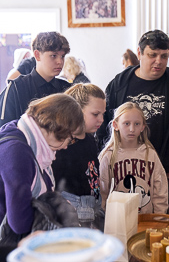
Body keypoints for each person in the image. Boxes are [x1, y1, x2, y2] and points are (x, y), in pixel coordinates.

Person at [96, 30, 169, 214]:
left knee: (159, 230)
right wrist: (107, 160)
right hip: (121, 173)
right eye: (152, 55)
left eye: (164, 56)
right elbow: (103, 125)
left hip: (162, 173)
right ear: (139, 53)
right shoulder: (119, 84)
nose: (158, 61)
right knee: (121, 229)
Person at [0, 94, 85, 247]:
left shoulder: (20, 132)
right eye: (70, 139)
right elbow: (20, 222)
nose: (66, 146)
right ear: (57, 128)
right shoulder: (18, 154)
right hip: (4, 246)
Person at [52, 83, 106, 230]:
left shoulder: (90, 139)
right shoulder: (61, 146)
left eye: (103, 114)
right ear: (76, 110)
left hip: (93, 210)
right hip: (72, 218)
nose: (101, 119)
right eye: (95, 114)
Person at [99, 102, 168, 214]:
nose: (132, 129)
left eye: (137, 124)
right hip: (117, 221)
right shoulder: (108, 156)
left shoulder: (150, 154)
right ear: (115, 125)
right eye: (126, 123)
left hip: (146, 221)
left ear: (142, 127)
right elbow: (103, 194)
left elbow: (160, 190)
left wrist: (159, 218)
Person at [0, 31, 72, 129]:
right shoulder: (16, 88)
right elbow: (4, 130)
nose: (60, 62)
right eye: (53, 56)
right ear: (37, 55)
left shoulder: (68, 89)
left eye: (62, 56)